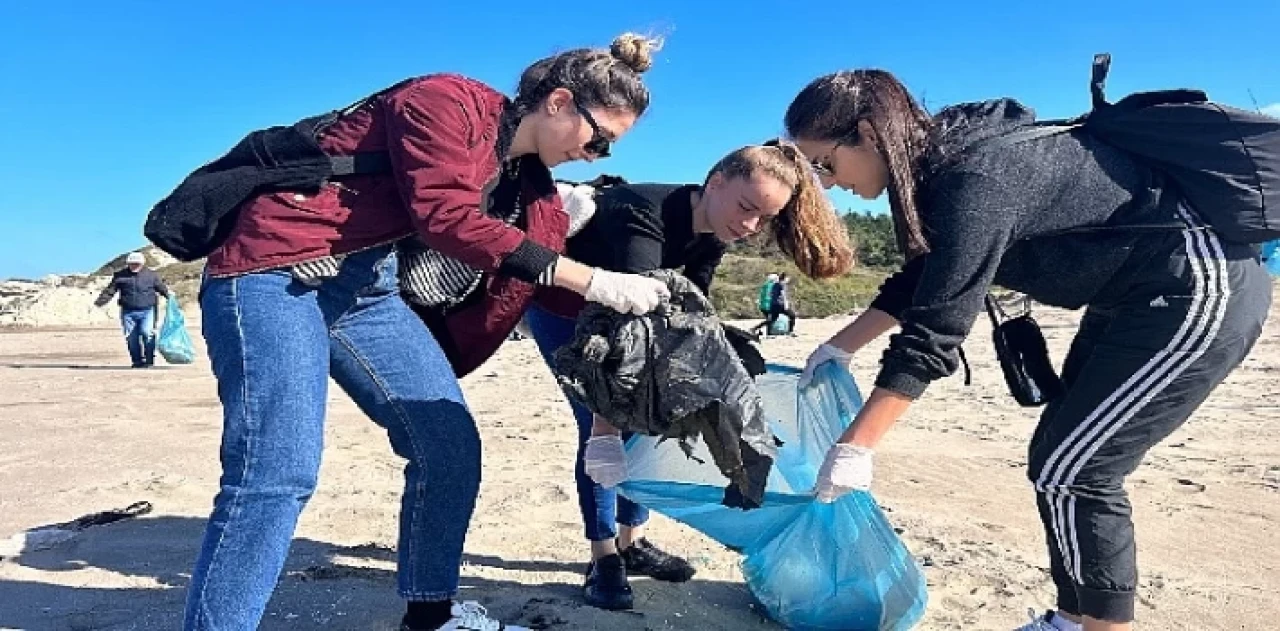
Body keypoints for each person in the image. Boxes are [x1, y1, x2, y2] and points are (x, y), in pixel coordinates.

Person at [185, 34, 671, 631]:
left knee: (449, 447)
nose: (597, 156)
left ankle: (430, 616)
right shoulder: (446, 100)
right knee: (276, 470)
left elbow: (515, 281)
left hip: (368, 289)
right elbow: (445, 217)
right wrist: (594, 280)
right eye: (599, 140)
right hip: (275, 266)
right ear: (559, 103)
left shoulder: (533, 189)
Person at [784, 70, 1270, 631]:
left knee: (1079, 468)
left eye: (823, 164)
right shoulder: (941, 168)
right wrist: (839, 347)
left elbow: (937, 329)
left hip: (1199, 286)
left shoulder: (973, 178)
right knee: (1058, 459)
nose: (823, 183)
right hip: (1131, 297)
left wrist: (857, 446)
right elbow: (925, 274)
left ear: (867, 134)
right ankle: (1071, 619)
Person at [524, 141, 853, 610]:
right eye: (745, 207)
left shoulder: (716, 230)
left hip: (631, 314)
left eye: (764, 218)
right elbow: (623, 335)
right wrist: (605, 429)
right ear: (714, 182)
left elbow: (692, 310)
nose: (749, 225)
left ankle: (631, 541)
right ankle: (603, 557)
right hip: (568, 314)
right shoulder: (642, 215)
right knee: (603, 437)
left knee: (651, 422)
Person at [94, 251, 171, 368]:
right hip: (128, 311)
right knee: (131, 337)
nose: (134, 266)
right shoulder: (120, 276)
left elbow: (161, 288)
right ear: (128, 264)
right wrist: (100, 302)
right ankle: (137, 361)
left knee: (147, 333)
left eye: (137, 264)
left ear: (142, 264)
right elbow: (110, 291)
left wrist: (170, 297)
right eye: (132, 263)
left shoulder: (151, 275)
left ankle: (149, 360)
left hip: (147, 310)